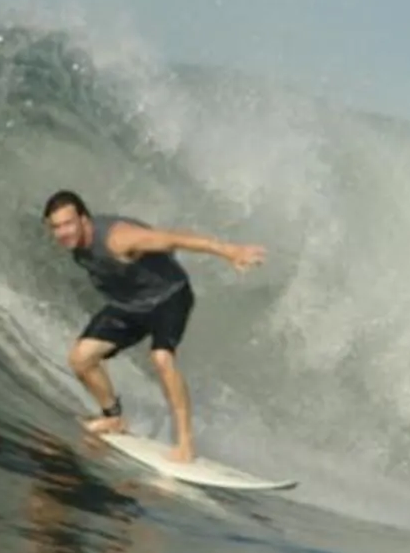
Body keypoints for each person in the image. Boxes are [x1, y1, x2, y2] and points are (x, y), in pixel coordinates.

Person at [42, 189, 265, 465]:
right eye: (56, 227)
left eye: (68, 223)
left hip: (169, 297)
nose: (63, 232)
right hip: (130, 305)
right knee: (81, 358)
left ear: (84, 219)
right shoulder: (76, 243)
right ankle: (113, 418)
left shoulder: (117, 238)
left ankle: (185, 444)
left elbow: (174, 239)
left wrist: (230, 251)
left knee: (161, 358)